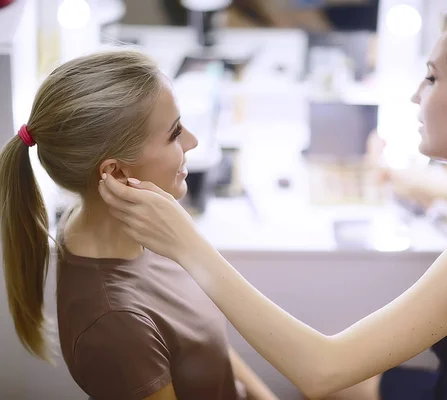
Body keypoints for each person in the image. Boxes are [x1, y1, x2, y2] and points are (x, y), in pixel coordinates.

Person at [98, 3, 447, 400]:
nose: (413, 96)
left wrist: (188, 243)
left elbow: (321, 370)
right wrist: (396, 177)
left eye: (430, 77)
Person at [0, 50, 278, 400]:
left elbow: (204, 338)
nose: (193, 141)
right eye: (175, 133)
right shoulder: (115, 324)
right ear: (115, 173)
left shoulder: (142, 228)